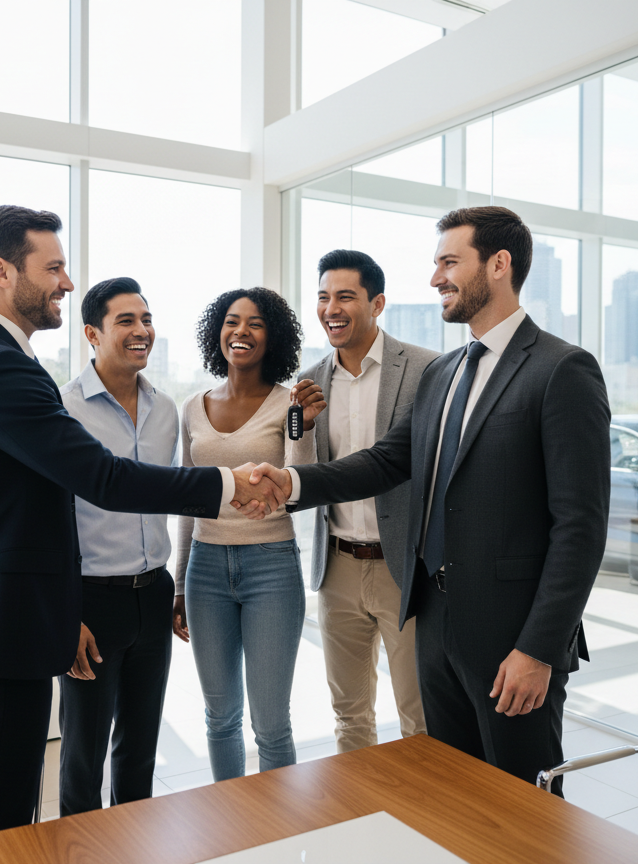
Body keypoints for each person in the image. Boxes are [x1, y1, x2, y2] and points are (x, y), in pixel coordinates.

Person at [0, 206, 284, 840]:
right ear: (2, 272)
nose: (65, 281)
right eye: (53, 267)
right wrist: (228, 483)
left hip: (4, 622)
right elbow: (103, 479)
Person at [252, 206, 610, 796]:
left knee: (524, 805)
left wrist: (539, 650)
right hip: (435, 624)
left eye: (449, 262)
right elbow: (388, 461)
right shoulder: (444, 372)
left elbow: (580, 527)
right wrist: (292, 484)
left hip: (511, 640)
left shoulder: (561, 369)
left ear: (499, 265)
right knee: (455, 793)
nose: (436, 278)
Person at [288, 249, 438, 753]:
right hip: (339, 567)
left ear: (377, 303)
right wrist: (300, 428)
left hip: (403, 564)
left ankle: (426, 818)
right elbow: (302, 470)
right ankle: (361, 818)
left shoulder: (426, 369)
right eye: (324, 297)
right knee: (350, 716)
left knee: (420, 714)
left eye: (345, 296)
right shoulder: (309, 381)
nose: (332, 308)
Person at [56, 277, 178, 815]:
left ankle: (136, 844)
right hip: (90, 601)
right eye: (126, 321)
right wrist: (66, 613)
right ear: (92, 333)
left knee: (140, 748)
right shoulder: (62, 409)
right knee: (83, 753)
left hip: (153, 593)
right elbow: (49, 519)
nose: (141, 331)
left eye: (146, 320)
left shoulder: (166, 410)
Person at [174, 287, 305, 781]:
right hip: (205, 569)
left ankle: (279, 834)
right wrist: (180, 579)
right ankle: (230, 827)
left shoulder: (290, 402)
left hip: (270, 564)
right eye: (231, 322)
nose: (241, 332)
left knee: (271, 724)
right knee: (220, 717)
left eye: (254, 323)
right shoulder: (193, 406)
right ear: (218, 332)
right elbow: (188, 499)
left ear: (273, 336)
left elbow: (301, 484)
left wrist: (304, 426)